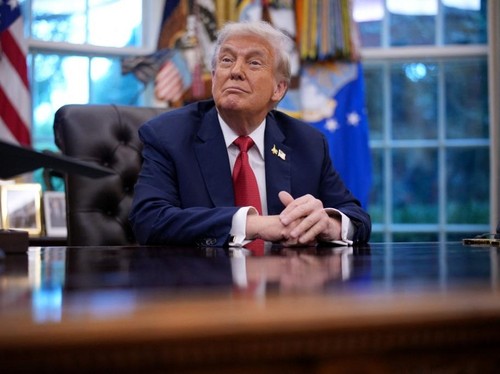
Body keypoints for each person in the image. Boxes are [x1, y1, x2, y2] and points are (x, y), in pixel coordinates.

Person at [129, 20, 371, 249]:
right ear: (214, 78)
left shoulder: (307, 143)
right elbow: (149, 220)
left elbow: (357, 218)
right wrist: (253, 224)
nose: (235, 71)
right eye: (226, 60)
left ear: (278, 89)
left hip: (285, 286)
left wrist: (328, 224)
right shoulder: (168, 135)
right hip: (201, 284)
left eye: (254, 63)